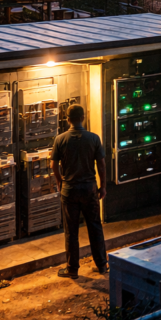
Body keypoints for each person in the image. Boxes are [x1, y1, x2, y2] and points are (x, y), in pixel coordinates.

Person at [51, 105, 108, 278]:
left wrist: (61, 182)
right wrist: (103, 185)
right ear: (83, 117)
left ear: (67, 119)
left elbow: (53, 165)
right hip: (90, 189)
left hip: (70, 190)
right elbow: (101, 164)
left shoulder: (60, 140)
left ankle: (72, 269)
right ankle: (102, 265)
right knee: (95, 227)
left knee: (71, 231)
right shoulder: (94, 138)